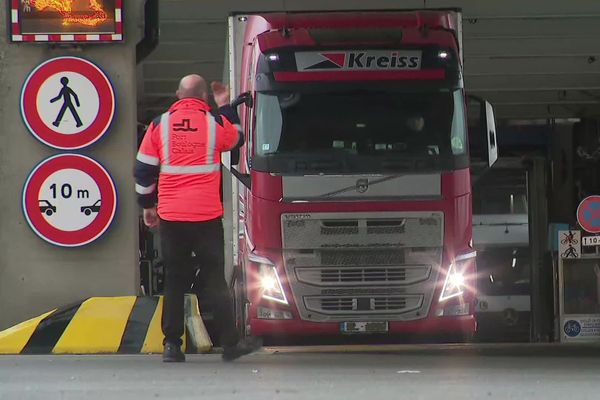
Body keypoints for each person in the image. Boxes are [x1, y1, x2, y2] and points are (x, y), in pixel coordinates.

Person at [134, 74, 260, 362]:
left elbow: (143, 170)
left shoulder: (159, 125)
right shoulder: (214, 124)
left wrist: (147, 205)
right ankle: (230, 345)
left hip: (172, 216)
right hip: (206, 217)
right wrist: (226, 106)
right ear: (203, 97)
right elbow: (237, 138)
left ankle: (172, 346)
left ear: (179, 94)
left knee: (175, 280)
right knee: (215, 279)